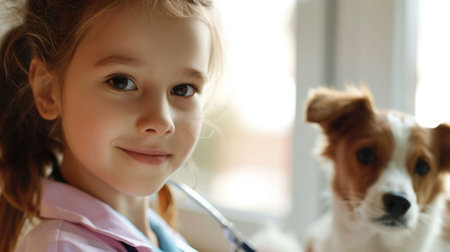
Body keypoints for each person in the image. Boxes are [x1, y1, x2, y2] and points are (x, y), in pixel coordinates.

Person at [0, 0, 224, 251]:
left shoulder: (162, 236)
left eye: (183, 89)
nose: (162, 122)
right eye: (121, 82)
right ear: (48, 91)